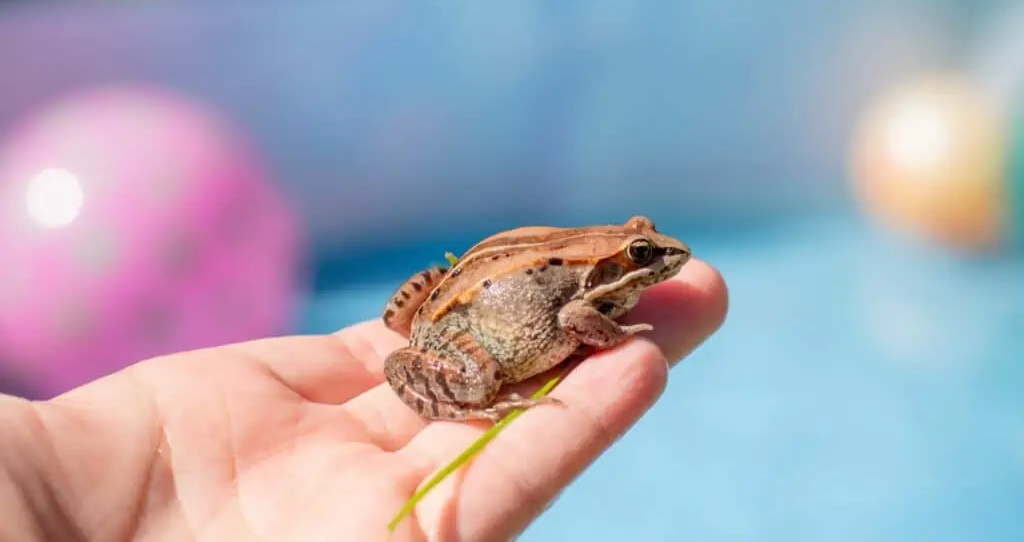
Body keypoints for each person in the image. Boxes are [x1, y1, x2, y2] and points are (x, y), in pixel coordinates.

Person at [1, 259, 727, 541]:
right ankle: (468, 406)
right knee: (479, 382)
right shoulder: (582, 294)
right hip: (474, 330)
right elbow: (573, 320)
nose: (658, 257)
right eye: (639, 257)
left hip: (461, 294)